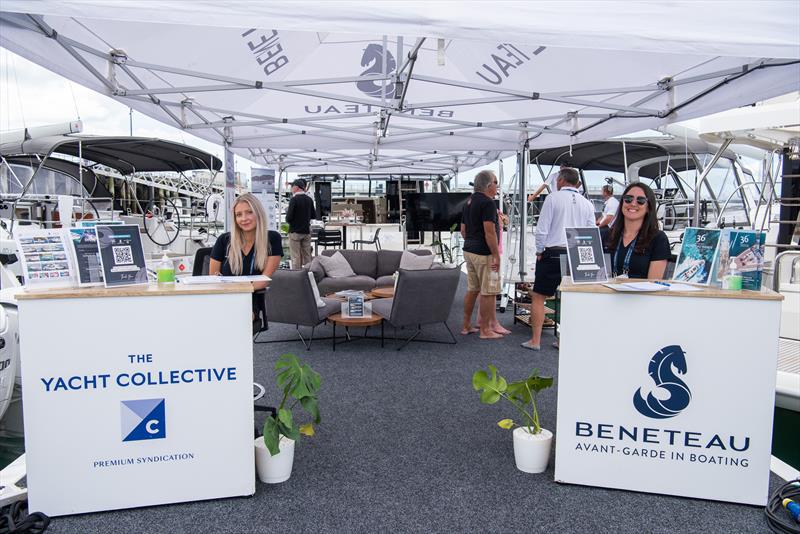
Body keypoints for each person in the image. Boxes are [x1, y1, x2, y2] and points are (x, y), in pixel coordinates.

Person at [523, 167, 595, 351]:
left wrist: (539, 251)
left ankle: (536, 341)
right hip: (576, 253)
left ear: (561, 181)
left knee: (539, 296)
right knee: (569, 299)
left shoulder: (553, 198)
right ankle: (563, 341)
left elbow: (542, 229)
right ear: (577, 183)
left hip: (553, 252)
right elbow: (590, 233)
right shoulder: (587, 204)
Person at [209, 193, 283, 320]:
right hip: (222, 297)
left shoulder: (272, 239)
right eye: (239, 215)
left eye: (249, 212)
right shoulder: (224, 240)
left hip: (249, 299)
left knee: (237, 318)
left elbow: (264, 280)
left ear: (258, 213)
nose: (244, 218)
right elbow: (213, 277)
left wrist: (237, 290)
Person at [460, 170, 509, 340]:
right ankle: (486, 330)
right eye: (496, 182)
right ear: (489, 185)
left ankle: (466, 325)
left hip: (469, 250)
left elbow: (463, 230)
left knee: (473, 289)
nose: (497, 186)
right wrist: (496, 255)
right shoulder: (488, 203)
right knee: (489, 292)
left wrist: (473, 242)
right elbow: (490, 232)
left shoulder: (469, 202)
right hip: (484, 253)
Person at [605, 182, 670, 280]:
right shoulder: (607, 235)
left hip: (641, 295)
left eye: (641, 200)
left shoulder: (658, 239)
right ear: (622, 203)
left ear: (648, 207)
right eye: (628, 199)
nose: (633, 203)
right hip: (606, 293)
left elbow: (653, 284)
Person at [286, 178, 315, 269]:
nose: (291, 189)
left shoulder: (294, 200)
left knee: (296, 257)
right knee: (307, 256)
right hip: (306, 231)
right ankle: (309, 274)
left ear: (296, 187)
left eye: (292, 187)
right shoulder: (309, 199)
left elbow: (289, 217)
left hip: (295, 232)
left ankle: (296, 277)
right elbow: (313, 215)